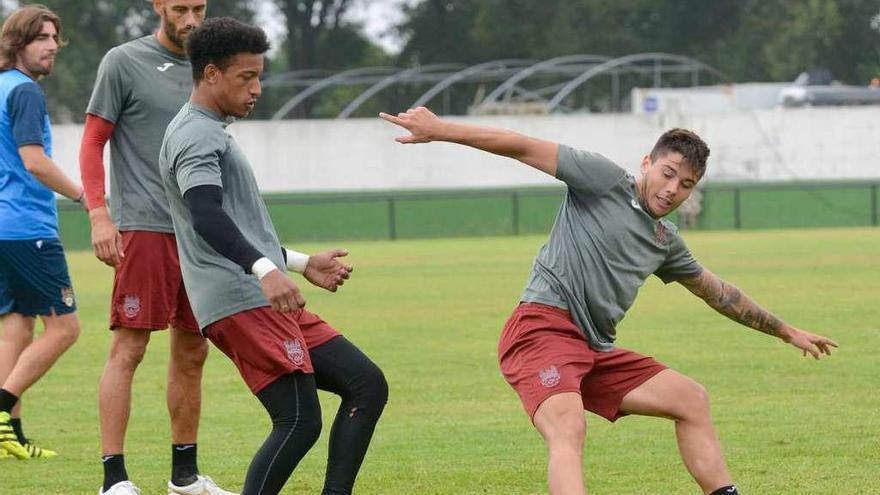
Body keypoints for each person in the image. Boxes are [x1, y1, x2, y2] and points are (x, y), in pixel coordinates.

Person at [380, 106, 838, 495]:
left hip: (593, 349)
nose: (671, 189)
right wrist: (441, 130)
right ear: (647, 163)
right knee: (568, 426)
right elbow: (520, 144)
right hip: (541, 328)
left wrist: (786, 330)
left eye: (686, 184)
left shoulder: (664, 240)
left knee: (692, 399)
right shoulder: (601, 180)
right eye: (667, 173)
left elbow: (720, 294)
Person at [160, 17, 387, 495]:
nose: (257, 88)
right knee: (299, 419)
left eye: (259, 76)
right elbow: (206, 215)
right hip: (241, 299)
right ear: (211, 74)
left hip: (257, 292)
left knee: (366, 384)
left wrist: (301, 264)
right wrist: (264, 270)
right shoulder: (195, 135)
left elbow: (235, 225)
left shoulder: (212, 130)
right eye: (247, 77)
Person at [79, 1, 237, 493]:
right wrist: (99, 214)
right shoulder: (122, 61)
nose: (191, 18)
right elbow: (92, 142)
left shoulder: (210, 67)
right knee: (129, 347)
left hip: (201, 232)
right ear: (158, 6)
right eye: (181, 8)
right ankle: (114, 480)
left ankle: (184, 478)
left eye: (200, 7)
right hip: (144, 228)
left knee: (193, 353)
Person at [0, 4, 84, 461]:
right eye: (42, 39)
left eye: (54, 38)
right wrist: (84, 196)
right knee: (65, 327)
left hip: (2, 229)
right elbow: (34, 160)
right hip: (28, 227)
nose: (52, 46)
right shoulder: (26, 92)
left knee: (16, 328)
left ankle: (9, 434)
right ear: (18, 43)